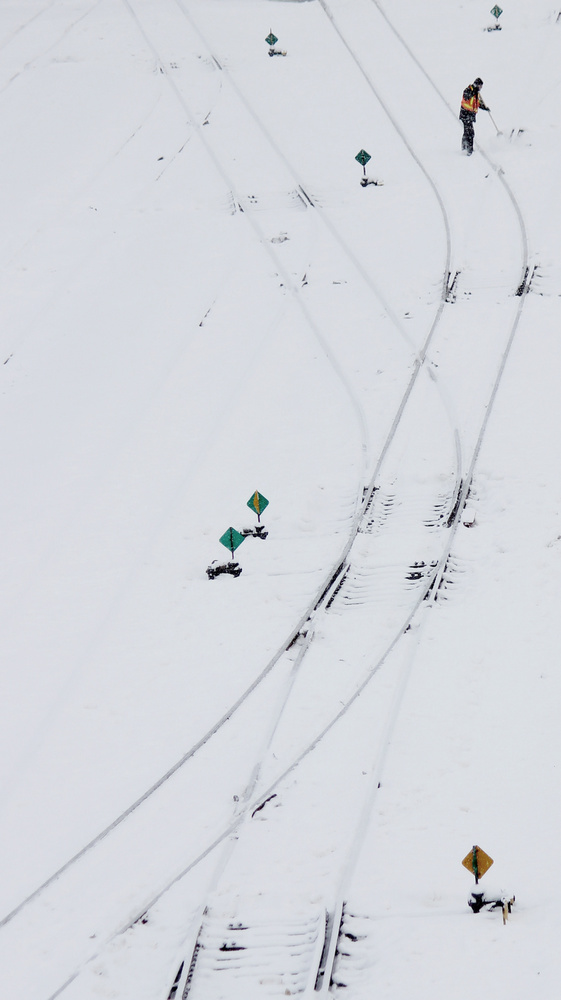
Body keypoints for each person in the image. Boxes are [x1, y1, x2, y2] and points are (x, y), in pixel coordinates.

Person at [459, 78, 489, 155]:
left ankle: (465, 147)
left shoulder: (476, 94)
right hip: (465, 114)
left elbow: (477, 103)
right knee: (470, 132)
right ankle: (469, 149)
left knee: (467, 132)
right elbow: (466, 97)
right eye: (480, 86)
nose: (480, 88)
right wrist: (473, 92)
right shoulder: (468, 90)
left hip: (470, 116)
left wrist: (484, 107)